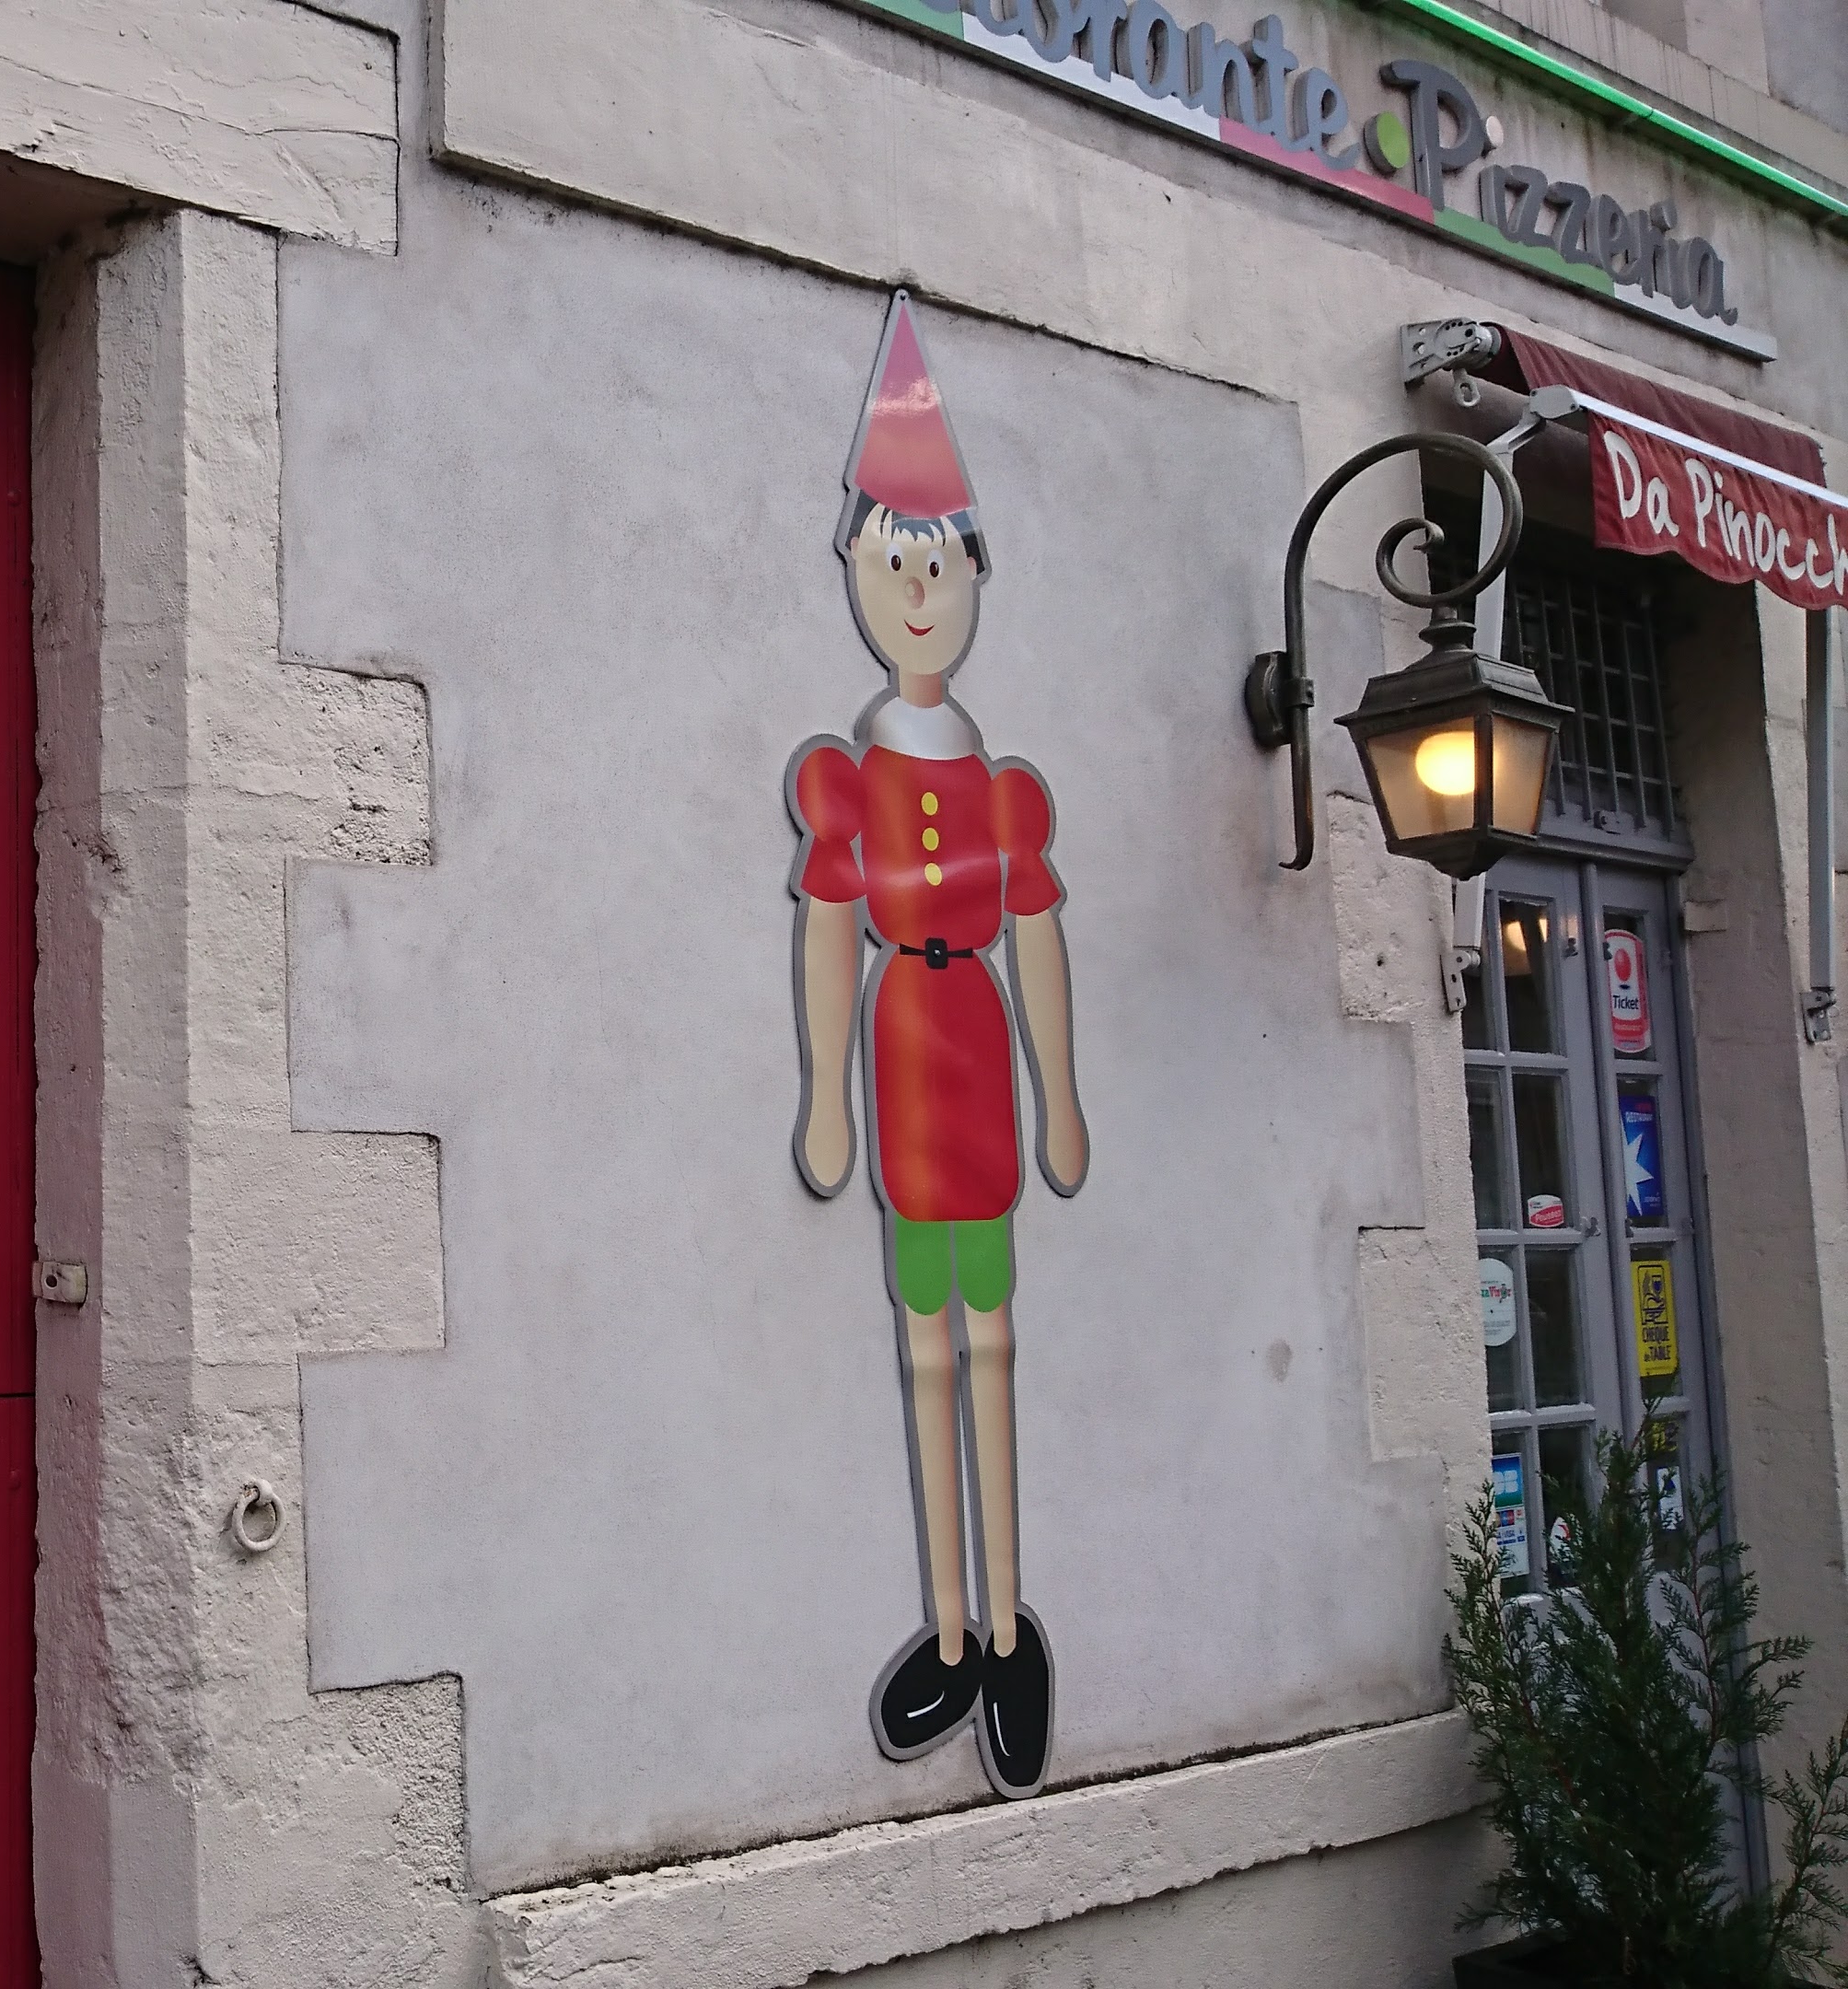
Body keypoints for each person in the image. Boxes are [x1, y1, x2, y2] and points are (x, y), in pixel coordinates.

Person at [786, 294, 1089, 1800]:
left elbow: (1037, 935)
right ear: (859, 571)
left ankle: (1011, 1623)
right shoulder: (847, 781)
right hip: (907, 1040)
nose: (917, 588)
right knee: (926, 1332)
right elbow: (827, 928)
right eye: (892, 562)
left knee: (996, 1331)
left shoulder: (1002, 788)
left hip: (974, 1040)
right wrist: (825, 1101)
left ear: (974, 577)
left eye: (940, 564)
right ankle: (955, 1631)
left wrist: (1063, 1098)